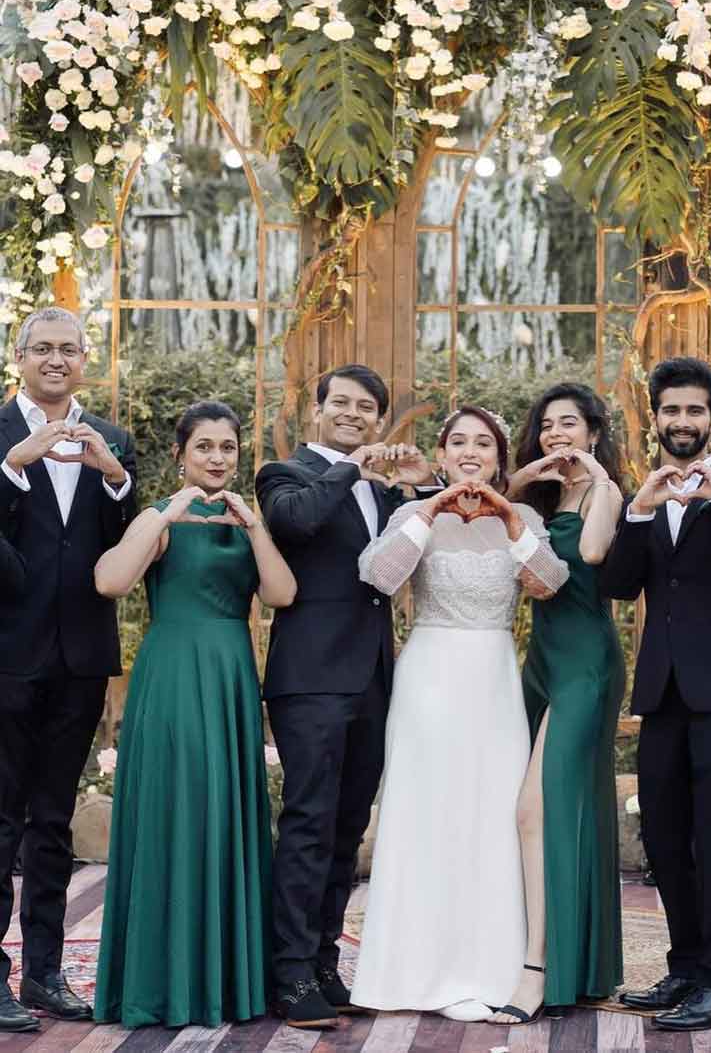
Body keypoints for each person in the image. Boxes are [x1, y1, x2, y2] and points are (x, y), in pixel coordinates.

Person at [350, 405, 569, 1021]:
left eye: (484, 444)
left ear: (500, 459)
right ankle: (411, 970)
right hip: (429, 677)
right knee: (425, 814)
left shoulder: (520, 516)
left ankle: (491, 967)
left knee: (492, 816)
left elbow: (551, 582)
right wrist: (426, 510)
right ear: (442, 454)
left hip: (495, 681)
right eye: (458, 443)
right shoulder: (411, 513)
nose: (471, 452)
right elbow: (379, 577)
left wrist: (506, 518)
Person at [92, 401, 295, 1028]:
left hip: (231, 672)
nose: (216, 458)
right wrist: (168, 515)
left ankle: (227, 982)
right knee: (173, 810)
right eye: (203, 447)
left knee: (225, 812)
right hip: (174, 675)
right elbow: (110, 581)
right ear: (180, 454)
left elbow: (282, 595)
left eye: (227, 448)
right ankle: (162, 982)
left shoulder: (246, 519)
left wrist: (256, 528)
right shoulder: (159, 514)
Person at [603, 357, 711, 1032]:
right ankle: (683, 966)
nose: (682, 421)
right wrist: (638, 511)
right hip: (662, 692)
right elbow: (619, 585)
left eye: (694, 410)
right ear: (657, 418)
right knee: (666, 835)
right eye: (670, 410)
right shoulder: (643, 495)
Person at [255, 364, 437, 1029]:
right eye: (342, 403)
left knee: (346, 827)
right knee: (308, 820)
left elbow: (430, 536)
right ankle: (290, 971)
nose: (354, 413)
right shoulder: (286, 475)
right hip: (309, 676)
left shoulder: (385, 491)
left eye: (367, 407)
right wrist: (352, 468)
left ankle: (326, 960)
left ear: (381, 418)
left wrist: (426, 481)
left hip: (374, 679)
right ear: (317, 408)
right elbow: (297, 525)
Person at [0, 307, 136, 1035]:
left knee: (53, 820)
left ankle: (45, 972)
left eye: (69, 349)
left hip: (81, 654)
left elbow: (130, 538)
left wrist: (115, 476)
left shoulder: (112, 438)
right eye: (42, 348)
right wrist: (13, 465)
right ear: (18, 356)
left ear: (85, 358)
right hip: (7, 653)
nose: (56, 359)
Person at [489, 383, 626, 1026]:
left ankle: (538, 966)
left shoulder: (608, 492)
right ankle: (586, 961)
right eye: (546, 425)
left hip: (586, 665)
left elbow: (594, 552)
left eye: (569, 423)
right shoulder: (542, 493)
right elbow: (488, 512)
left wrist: (595, 473)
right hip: (540, 661)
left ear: (594, 431)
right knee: (560, 809)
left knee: (532, 811)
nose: (556, 434)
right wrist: (529, 474)